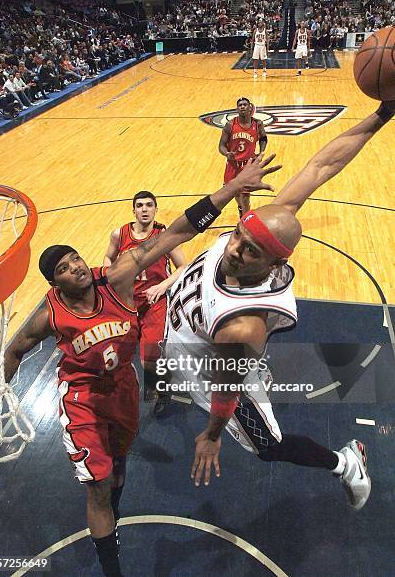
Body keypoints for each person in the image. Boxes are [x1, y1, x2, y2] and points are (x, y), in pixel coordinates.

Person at [0, 158, 280, 577]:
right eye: (65, 269)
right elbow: (13, 352)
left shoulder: (118, 278)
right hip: (82, 399)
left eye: (76, 259)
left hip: (123, 389)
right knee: (99, 488)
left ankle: (110, 514)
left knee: (118, 471)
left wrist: (231, 189)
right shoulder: (50, 316)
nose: (77, 267)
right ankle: (112, 567)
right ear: (56, 284)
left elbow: (178, 231)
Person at [162, 101, 395, 508]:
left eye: (249, 251)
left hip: (213, 366)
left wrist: (212, 434)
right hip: (194, 338)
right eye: (235, 236)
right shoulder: (267, 225)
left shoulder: (243, 324)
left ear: (274, 261)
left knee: (267, 445)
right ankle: (254, 365)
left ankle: (345, 463)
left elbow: (224, 390)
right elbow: (322, 165)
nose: (233, 250)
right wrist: (383, 113)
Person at [103, 191, 187, 416]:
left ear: (156, 209)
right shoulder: (118, 234)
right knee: (116, 353)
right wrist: (111, 277)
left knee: (149, 359)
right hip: (126, 302)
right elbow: (108, 259)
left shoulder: (164, 235)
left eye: (149, 205)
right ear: (134, 210)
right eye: (140, 205)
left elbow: (183, 267)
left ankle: (163, 389)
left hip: (153, 302)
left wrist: (162, 287)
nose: (144, 209)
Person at [219, 97, 268, 218]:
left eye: (245, 104)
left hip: (248, 164)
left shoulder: (257, 124)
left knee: (245, 196)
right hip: (233, 164)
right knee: (234, 192)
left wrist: (261, 152)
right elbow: (221, 145)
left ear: (250, 107)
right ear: (237, 108)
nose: (242, 106)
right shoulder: (230, 125)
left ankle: (245, 220)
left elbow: (263, 138)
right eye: (240, 105)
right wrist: (226, 153)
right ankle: (241, 207)